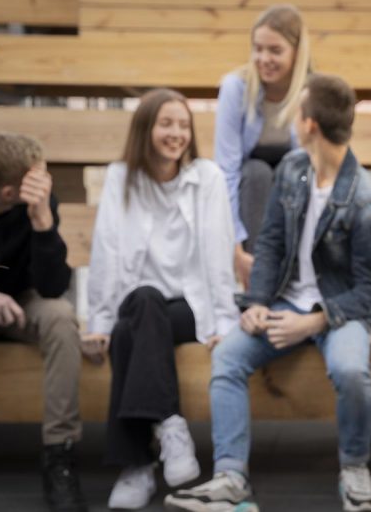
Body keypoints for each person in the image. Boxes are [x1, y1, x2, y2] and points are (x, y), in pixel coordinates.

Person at [165, 74, 371, 512]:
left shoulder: (363, 201)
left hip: (337, 311)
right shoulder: (292, 169)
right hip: (283, 302)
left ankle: (355, 469)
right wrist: (257, 304)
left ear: (309, 124)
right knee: (227, 356)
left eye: (298, 109)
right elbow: (269, 245)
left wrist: (315, 319)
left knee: (350, 371)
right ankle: (231, 477)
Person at [82, 88, 239, 510]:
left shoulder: (206, 176)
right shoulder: (121, 177)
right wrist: (97, 321)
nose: (176, 133)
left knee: (137, 321)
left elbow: (216, 251)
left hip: (193, 307)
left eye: (183, 125)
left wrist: (224, 323)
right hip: (138, 307)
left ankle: (135, 466)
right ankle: (170, 425)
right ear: (145, 129)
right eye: (166, 124)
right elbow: (106, 250)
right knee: (139, 308)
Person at [0, 134, 87, 512]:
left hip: (20, 303)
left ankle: (59, 456)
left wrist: (43, 223)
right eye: (38, 176)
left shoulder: (38, 203)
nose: (45, 182)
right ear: (9, 191)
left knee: (61, 319)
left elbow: (53, 286)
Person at [213, 4, 312, 289]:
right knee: (257, 172)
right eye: (258, 49)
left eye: (275, 51)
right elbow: (226, 171)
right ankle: (258, 277)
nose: (263, 58)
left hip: (291, 189)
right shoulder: (235, 88)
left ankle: (293, 274)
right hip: (250, 190)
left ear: (296, 52)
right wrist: (236, 248)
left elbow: (315, 169)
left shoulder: (310, 92)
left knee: (291, 171)